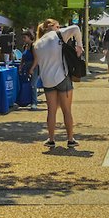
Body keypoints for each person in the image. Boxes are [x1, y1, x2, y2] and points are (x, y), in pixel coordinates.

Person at [31, 18, 83, 149]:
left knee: (51, 111)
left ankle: (51, 139)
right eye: (58, 26)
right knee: (67, 111)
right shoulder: (58, 35)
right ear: (52, 26)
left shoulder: (37, 44)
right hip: (62, 77)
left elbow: (37, 62)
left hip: (47, 81)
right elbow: (76, 28)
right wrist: (79, 45)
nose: (59, 28)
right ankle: (70, 139)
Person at [18, 30, 40, 110]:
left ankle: (34, 102)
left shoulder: (33, 46)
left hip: (33, 66)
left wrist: (32, 68)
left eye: (25, 37)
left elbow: (36, 59)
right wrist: (21, 65)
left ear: (29, 37)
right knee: (27, 84)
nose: (23, 39)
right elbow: (23, 58)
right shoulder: (25, 46)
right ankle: (27, 100)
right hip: (26, 66)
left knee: (33, 85)